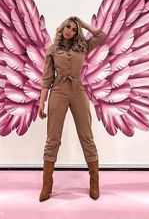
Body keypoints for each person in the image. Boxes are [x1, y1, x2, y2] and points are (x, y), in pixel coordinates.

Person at [38, 16, 106, 202]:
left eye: (74, 29)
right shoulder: (52, 50)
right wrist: (41, 101)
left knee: (86, 136)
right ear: (62, 28)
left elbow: (101, 36)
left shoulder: (82, 46)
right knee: (53, 138)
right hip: (58, 92)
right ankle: (47, 183)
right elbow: (46, 78)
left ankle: (94, 181)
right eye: (68, 27)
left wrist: (82, 23)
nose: (70, 31)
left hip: (78, 92)